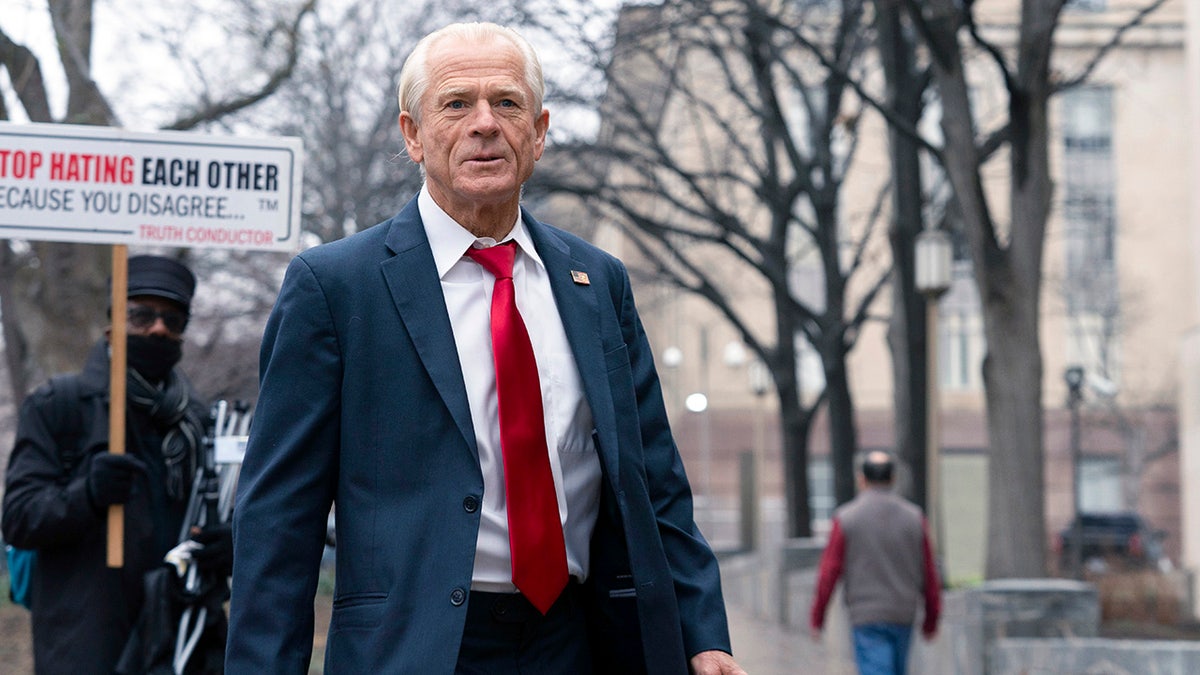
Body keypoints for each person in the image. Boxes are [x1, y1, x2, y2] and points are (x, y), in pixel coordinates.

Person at [225, 21, 745, 675]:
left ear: (540, 130)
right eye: (455, 104)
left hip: (581, 641)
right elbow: (278, 514)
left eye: (506, 103)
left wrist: (705, 631)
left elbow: (654, 481)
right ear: (412, 135)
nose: (484, 124)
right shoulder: (336, 288)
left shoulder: (596, 281)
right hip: (416, 648)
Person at [2, 254, 231, 675]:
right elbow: (18, 517)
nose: (158, 328)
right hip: (87, 643)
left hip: (181, 641)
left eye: (173, 320)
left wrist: (229, 545)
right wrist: (86, 494)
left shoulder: (199, 421)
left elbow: (218, 517)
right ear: (112, 326)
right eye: (141, 315)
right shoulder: (60, 404)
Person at [810, 451, 941, 675]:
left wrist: (818, 615)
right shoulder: (914, 518)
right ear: (893, 478)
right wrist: (932, 617)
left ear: (862, 479)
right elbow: (929, 572)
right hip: (903, 612)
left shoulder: (846, 518)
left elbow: (829, 572)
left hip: (865, 614)